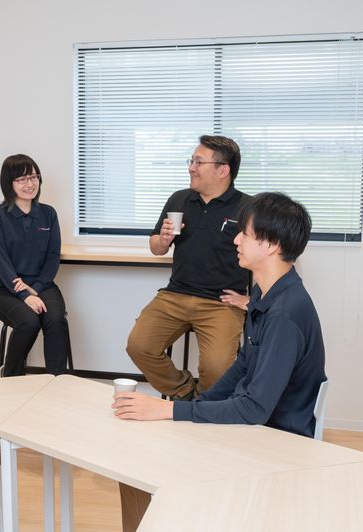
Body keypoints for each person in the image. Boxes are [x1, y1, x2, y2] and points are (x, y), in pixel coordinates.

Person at [114, 192, 326, 531]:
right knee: (140, 454)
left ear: (271, 245)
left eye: (245, 234)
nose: (236, 240)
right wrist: (192, 408)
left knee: (142, 463)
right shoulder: (266, 294)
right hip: (253, 429)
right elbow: (242, 367)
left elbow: (254, 409)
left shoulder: (285, 315)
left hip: (271, 442)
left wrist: (170, 410)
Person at [126, 135, 251, 400]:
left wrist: (251, 300)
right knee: (139, 346)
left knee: (217, 369)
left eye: (198, 162)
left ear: (223, 170)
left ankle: (205, 406)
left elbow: (267, 258)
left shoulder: (247, 208)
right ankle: (185, 395)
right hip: (175, 295)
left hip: (221, 302)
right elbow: (156, 248)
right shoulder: (180, 199)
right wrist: (163, 240)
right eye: (191, 161)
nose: (191, 168)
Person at [0, 154, 70, 376]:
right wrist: (24, 295)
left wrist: (37, 288)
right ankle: (11, 376)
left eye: (33, 177)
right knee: (29, 322)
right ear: (9, 183)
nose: (30, 184)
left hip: (42, 285)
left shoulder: (48, 214)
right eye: (21, 179)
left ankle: (56, 380)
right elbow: (1, 262)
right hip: (5, 289)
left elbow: (53, 257)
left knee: (55, 319)